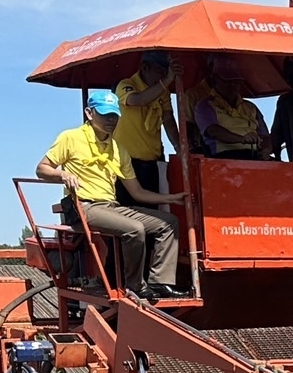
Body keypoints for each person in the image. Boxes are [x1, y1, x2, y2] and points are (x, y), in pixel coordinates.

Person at [36, 90, 188, 300]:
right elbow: (42, 169)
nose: (111, 120)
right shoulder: (70, 138)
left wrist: (169, 198)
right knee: (135, 229)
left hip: (111, 207)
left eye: (114, 115)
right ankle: (134, 285)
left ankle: (161, 282)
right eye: (105, 114)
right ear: (89, 113)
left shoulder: (118, 149)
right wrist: (63, 174)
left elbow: (137, 192)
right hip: (83, 207)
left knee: (169, 222)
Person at [114, 50, 181, 203]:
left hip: (152, 162)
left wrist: (179, 147)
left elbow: (168, 120)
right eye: (159, 71)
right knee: (128, 209)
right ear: (144, 68)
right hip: (127, 162)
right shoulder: (126, 85)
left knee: (153, 210)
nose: (162, 76)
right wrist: (167, 80)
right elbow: (138, 100)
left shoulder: (162, 91)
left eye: (165, 73)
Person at [194, 57, 271, 160]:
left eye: (236, 81)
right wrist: (241, 139)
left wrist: (266, 150)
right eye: (227, 80)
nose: (232, 85)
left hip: (254, 156)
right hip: (223, 158)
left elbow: (265, 137)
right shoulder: (205, 106)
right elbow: (214, 131)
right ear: (215, 79)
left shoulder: (251, 107)